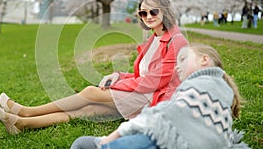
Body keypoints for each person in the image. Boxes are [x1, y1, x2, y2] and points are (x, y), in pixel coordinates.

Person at [0, 0, 188, 135]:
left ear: (165, 10)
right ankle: (21, 123)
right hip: (143, 93)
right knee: (87, 110)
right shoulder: (155, 38)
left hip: (153, 99)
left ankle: (26, 111)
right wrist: (118, 76)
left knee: (90, 93)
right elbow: (142, 76)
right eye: (143, 13)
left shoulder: (176, 40)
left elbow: (155, 82)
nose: (148, 17)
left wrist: (119, 85)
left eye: (153, 11)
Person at [71, 43, 249, 149]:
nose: (177, 67)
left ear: (204, 60)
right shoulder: (221, 90)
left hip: (162, 142)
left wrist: (114, 135)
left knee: (82, 144)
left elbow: (164, 115)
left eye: (182, 60)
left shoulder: (200, 86)